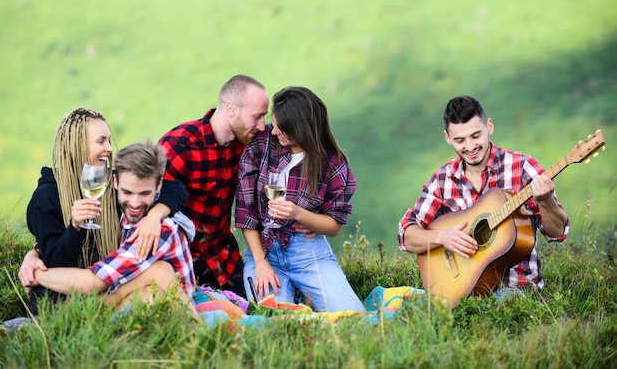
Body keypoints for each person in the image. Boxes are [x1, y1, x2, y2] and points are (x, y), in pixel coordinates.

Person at [19, 107, 188, 315]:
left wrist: (155, 215)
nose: (109, 148)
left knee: (158, 281)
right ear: (76, 145)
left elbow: (174, 188)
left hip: (103, 287)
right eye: (101, 141)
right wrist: (74, 228)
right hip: (60, 301)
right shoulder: (45, 199)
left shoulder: (108, 181)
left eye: (109, 140)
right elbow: (55, 264)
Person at [398, 95, 570, 299]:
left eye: (476, 135)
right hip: (461, 290)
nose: (470, 147)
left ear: (489, 126)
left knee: (498, 309)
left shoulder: (524, 167)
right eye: (460, 140)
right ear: (447, 138)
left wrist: (546, 201)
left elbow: (557, 232)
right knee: (412, 309)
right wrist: (442, 237)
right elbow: (406, 235)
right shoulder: (442, 179)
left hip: (516, 288)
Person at [235, 86, 366, 312]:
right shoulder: (261, 145)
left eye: (280, 126)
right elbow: (246, 214)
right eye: (273, 122)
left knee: (354, 319)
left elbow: (334, 226)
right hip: (265, 250)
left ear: (300, 128)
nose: (273, 130)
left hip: (309, 253)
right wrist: (260, 263)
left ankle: (301, 293)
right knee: (275, 322)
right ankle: (295, 296)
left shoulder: (332, 163)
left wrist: (299, 214)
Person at [157, 74, 269, 298]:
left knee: (257, 310)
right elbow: (149, 202)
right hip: (180, 260)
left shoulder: (247, 142)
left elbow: (292, 133)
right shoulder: (180, 145)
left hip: (223, 256)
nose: (262, 126)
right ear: (231, 109)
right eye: (256, 117)